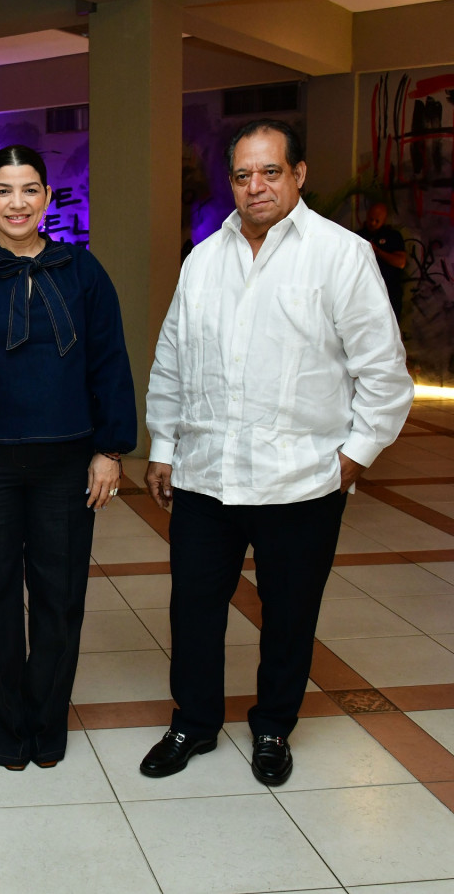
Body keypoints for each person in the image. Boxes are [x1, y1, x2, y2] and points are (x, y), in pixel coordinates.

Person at [140, 119, 414, 786]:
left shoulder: (341, 256)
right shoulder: (204, 259)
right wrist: (164, 445)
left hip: (302, 481)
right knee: (193, 609)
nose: (255, 186)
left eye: (270, 171)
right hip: (207, 477)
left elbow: (383, 373)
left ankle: (272, 727)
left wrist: (354, 456)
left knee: (290, 614)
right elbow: (173, 360)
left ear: (299, 175)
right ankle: (193, 722)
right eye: (242, 175)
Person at [0, 144, 136, 770]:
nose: (18, 203)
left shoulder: (83, 272)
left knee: (59, 600)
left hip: (67, 465)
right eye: (4, 190)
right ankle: (3, 728)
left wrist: (109, 449)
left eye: (30, 189)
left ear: (47, 198)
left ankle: (46, 723)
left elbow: (109, 363)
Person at [357, 202, 407, 323]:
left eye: (377, 221)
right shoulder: (359, 236)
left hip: (389, 293)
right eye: (371, 219)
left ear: (384, 220)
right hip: (366, 294)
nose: (373, 223)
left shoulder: (393, 236)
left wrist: (377, 251)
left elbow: (400, 262)